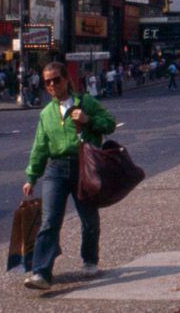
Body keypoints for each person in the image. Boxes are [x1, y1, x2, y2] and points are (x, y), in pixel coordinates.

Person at [22, 61, 116, 290]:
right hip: (55, 169)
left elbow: (110, 124)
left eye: (56, 79)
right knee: (50, 220)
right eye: (48, 82)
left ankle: (90, 259)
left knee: (88, 219)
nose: (53, 85)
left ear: (66, 80)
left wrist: (88, 121)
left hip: (83, 166)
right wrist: (32, 176)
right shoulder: (46, 113)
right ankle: (42, 273)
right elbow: (40, 146)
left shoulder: (85, 102)